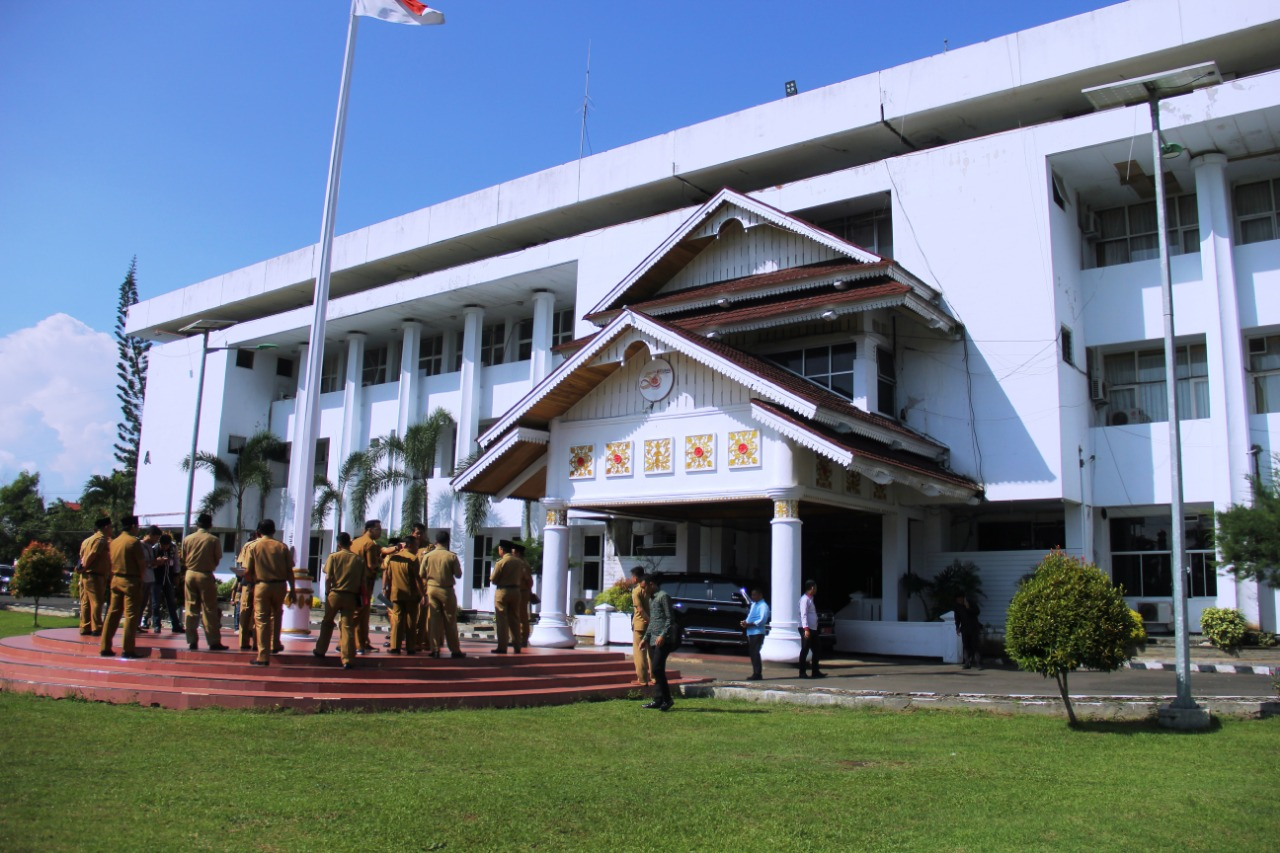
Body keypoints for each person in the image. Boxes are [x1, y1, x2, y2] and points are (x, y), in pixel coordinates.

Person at [244, 518, 296, 667]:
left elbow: (248, 571)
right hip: (280, 585)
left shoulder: (254, 546)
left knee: (261, 620)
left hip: (262, 585)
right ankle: (275, 643)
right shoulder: (282, 547)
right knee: (277, 615)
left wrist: (253, 581)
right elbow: (289, 571)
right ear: (274, 531)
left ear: (259, 532)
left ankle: (263, 655)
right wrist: (292, 589)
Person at [98, 515, 148, 658]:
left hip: (116, 580)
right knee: (131, 615)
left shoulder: (114, 542)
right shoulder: (133, 542)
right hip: (131, 581)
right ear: (133, 527)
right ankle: (128, 649)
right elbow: (141, 564)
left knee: (113, 614)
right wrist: (141, 579)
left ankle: (105, 646)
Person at [313, 532, 364, 669]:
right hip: (351, 595)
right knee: (347, 627)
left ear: (339, 544)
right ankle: (347, 658)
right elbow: (362, 581)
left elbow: (328, 577)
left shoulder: (334, 557)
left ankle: (320, 650)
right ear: (350, 543)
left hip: (335, 593)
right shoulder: (358, 560)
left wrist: (327, 591)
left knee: (327, 622)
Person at [180, 512, 228, 651]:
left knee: (190, 608)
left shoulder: (188, 539)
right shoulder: (213, 540)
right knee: (209, 609)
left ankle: (191, 640)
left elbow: (183, 557)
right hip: (205, 575)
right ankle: (213, 641)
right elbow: (217, 558)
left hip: (190, 574)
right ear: (210, 525)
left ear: (197, 524)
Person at [421, 530, 466, 659]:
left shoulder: (428, 556)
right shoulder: (451, 556)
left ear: (436, 541)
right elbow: (458, 574)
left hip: (431, 589)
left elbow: (421, 574)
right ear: (447, 542)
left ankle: (434, 649)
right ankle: (455, 650)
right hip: (446, 590)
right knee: (450, 620)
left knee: (434, 621)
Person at [642, 574, 679, 711]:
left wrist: (663, 635)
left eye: (645, 587)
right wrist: (645, 638)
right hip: (653, 639)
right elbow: (653, 621)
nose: (644, 591)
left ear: (651, 584)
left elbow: (670, 618)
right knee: (655, 670)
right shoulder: (651, 599)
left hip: (664, 640)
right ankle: (658, 699)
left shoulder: (663, 596)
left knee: (657, 668)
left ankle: (667, 699)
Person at [383, 533, 423, 654]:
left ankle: (395, 646)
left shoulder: (393, 558)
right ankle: (410, 647)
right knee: (411, 621)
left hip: (396, 594)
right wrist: (422, 595)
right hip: (410, 595)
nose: (417, 548)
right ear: (409, 545)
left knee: (397, 620)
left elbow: (388, 576)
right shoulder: (413, 558)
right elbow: (417, 579)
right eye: (416, 545)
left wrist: (386, 592)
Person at [350, 520, 385, 655]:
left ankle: (362, 642)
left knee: (360, 614)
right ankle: (353, 643)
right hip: (364, 583)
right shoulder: (369, 544)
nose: (380, 532)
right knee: (360, 614)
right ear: (369, 529)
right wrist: (382, 563)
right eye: (378, 529)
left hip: (354, 582)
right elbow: (372, 565)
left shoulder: (355, 542)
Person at [77, 517, 112, 636]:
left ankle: (85, 626)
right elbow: (92, 554)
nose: (112, 529)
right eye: (111, 527)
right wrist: (85, 566)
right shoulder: (101, 540)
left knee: (85, 601)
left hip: (85, 575)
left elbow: (81, 555)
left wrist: (82, 568)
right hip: (95, 574)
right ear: (106, 527)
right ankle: (97, 627)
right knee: (97, 601)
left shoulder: (87, 540)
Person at [146, 527, 183, 633]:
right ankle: (157, 625)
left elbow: (176, 562)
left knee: (171, 602)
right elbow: (151, 563)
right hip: (157, 579)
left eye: (167, 545)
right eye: (163, 545)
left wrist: (176, 575)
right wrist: (158, 562)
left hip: (168, 578)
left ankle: (175, 625)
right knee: (155, 603)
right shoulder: (155, 548)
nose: (165, 547)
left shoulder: (173, 548)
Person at [489, 540, 523, 654]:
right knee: (515, 619)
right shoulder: (519, 562)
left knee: (502, 620)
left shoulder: (501, 562)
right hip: (516, 591)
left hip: (503, 591)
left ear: (502, 550)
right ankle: (517, 645)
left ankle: (502, 646)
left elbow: (493, 579)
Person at [235, 529, 261, 650]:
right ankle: (258, 642)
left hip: (248, 583)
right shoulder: (276, 545)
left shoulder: (248, 546)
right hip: (263, 583)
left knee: (245, 613)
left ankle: (243, 642)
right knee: (260, 614)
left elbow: (242, 566)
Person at [798, 579, 825, 679]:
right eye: (816, 587)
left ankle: (815, 671)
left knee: (817, 649)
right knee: (805, 649)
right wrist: (806, 629)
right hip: (806, 628)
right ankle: (802, 672)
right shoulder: (804, 599)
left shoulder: (810, 599)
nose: (816, 589)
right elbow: (803, 614)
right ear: (812, 588)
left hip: (812, 628)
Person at [741, 587, 770, 681]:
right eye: (752, 595)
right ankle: (755, 672)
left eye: (755, 595)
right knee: (752, 653)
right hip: (751, 632)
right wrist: (745, 622)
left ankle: (757, 673)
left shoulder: (763, 606)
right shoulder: (754, 604)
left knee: (755, 652)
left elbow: (762, 620)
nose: (753, 597)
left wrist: (749, 624)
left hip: (757, 632)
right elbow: (750, 616)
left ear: (760, 595)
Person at [630, 567, 650, 686]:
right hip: (649, 624)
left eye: (632, 576)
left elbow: (640, 609)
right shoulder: (648, 589)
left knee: (639, 652)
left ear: (635, 578)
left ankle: (642, 679)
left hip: (640, 624)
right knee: (650, 653)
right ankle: (653, 677)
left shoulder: (636, 591)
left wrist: (649, 620)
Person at [511, 540, 534, 647]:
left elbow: (526, 578)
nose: (512, 553)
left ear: (518, 553)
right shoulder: (520, 563)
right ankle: (518, 638)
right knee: (518, 616)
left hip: (522, 592)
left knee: (521, 616)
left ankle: (522, 638)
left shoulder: (522, 564)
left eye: (513, 551)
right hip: (520, 591)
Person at [954, 593, 983, 670]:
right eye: (957, 599)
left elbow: (977, 612)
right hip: (964, 628)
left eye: (960, 599)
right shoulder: (957, 606)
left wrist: (968, 608)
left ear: (963, 598)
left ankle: (978, 663)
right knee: (966, 646)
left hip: (974, 628)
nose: (959, 601)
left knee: (975, 645)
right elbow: (957, 618)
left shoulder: (970, 603)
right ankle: (967, 663)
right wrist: (957, 627)